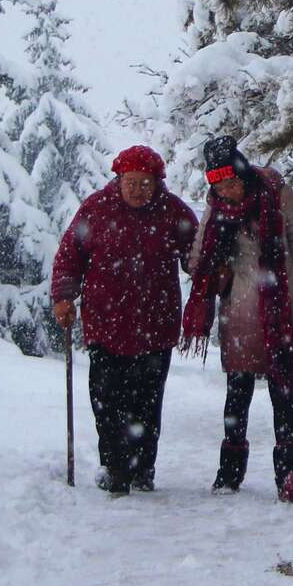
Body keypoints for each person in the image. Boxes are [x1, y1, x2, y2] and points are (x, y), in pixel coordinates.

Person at [181, 137, 293, 502]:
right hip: (239, 312)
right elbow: (197, 260)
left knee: (283, 392)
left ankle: (288, 472)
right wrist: (213, 266)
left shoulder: (276, 195)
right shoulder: (216, 208)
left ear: (244, 175)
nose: (228, 191)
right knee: (237, 394)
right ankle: (229, 474)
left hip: (284, 307)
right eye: (219, 186)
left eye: (232, 183)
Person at [50, 145, 197, 496]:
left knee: (147, 403)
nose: (137, 190)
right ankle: (115, 468)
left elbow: (197, 256)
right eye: (131, 182)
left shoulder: (173, 212)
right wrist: (63, 297)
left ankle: (142, 470)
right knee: (107, 402)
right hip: (106, 325)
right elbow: (70, 256)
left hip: (155, 327)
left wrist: (215, 272)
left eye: (145, 183)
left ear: (157, 183)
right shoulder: (97, 209)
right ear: (118, 179)